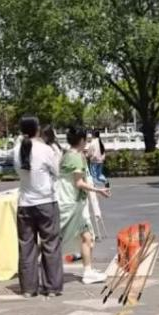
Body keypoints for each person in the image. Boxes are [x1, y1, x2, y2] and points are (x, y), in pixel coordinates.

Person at [14, 115, 64, 297]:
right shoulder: (45, 149)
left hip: (25, 203)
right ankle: (52, 287)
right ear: (37, 129)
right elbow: (56, 172)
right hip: (46, 201)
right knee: (50, 244)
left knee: (26, 246)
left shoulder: (17, 150)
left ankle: (28, 288)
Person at [57, 126, 111, 285]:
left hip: (68, 203)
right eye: (86, 139)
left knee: (86, 237)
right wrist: (98, 190)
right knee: (76, 239)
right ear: (81, 140)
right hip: (72, 205)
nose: (87, 142)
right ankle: (87, 272)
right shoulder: (76, 157)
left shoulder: (66, 155)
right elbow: (79, 183)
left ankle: (88, 270)